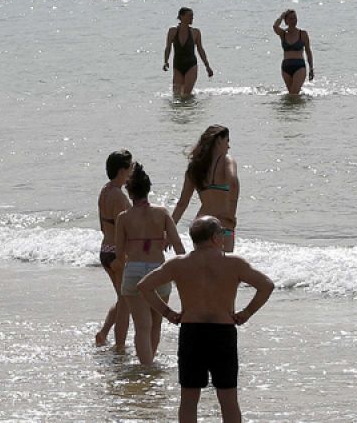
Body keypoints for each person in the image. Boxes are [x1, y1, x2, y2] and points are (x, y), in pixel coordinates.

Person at [139, 216, 275, 423]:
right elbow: (266, 285)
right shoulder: (234, 263)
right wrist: (246, 313)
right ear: (214, 237)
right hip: (222, 332)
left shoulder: (179, 263)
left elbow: (144, 286)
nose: (224, 237)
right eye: (222, 233)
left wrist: (168, 313)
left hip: (192, 331)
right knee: (228, 398)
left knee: (189, 398)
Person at [113, 164, 186, 364]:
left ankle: (146, 368)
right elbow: (178, 246)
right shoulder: (162, 213)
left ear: (130, 192)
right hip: (158, 271)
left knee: (141, 327)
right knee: (155, 324)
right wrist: (186, 271)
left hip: (134, 270)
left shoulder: (124, 218)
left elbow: (119, 253)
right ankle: (150, 363)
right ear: (148, 190)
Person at [172, 126, 239, 253]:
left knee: (202, 263)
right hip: (222, 223)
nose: (229, 146)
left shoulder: (195, 167)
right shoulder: (226, 160)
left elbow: (182, 203)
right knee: (224, 263)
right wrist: (231, 214)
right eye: (227, 141)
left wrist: (169, 231)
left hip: (201, 224)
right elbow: (233, 183)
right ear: (219, 141)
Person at [95, 149, 134, 348]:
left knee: (122, 298)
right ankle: (120, 346)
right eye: (130, 167)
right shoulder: (118, 196)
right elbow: (123, 228)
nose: (132, 170)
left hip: (105, 249)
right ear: (121, 171)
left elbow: (103, 225)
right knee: (125, 302)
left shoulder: (105, 190)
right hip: (116, 252)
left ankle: (103, 334)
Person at [163, 7, 213, 97]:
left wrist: (207, 66)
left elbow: (200, 50)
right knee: (176, 95)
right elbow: (168, 47)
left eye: (192, 16)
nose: (192, 18)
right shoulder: (172, 31)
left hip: (191, 65)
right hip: (177, 66)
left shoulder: (195, 32)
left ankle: (192, 106)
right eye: (189, 16)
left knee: (186, 95)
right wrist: (166, 61)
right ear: (181, 16)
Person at [271, 9, 314, 96]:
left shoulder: (302, 34)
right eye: (291, 18)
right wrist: (282, 16)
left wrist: (311, 68)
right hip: (286, 67)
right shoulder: (283, 34)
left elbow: (308, 52)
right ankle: (298, 104)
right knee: (291, 94)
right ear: (286, 21)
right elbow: (275, 26)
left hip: (299, 66)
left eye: (295, 18)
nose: (293, 20)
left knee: (294, 94)